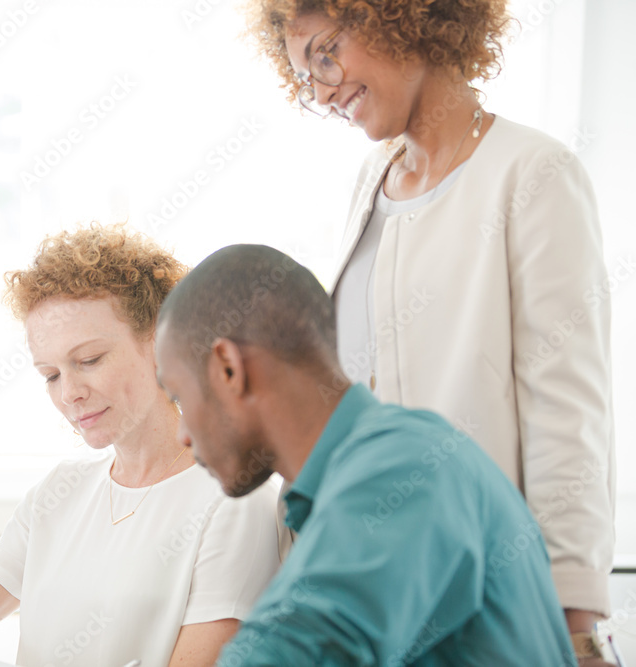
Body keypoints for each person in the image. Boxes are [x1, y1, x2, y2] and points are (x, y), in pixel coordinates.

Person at [242, 1, 615, 661]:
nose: (323, 91)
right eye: (306, 77)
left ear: (399, 17)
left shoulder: (531, 172)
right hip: (369, 593)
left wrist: (575, 622)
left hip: (477, 598)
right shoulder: (372, 181)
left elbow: (569, 416)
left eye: (326, 53)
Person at [152, 243, 603, 666]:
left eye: (179, 397)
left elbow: (296, 648)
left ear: (228, 368)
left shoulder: (405, 467)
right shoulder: (356, 481)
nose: (183, 435)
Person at [0, 225, 282, 666]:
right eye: (50, 375)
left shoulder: (237, 501)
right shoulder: (60, 492)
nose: (69, 393)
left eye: (89, 360)